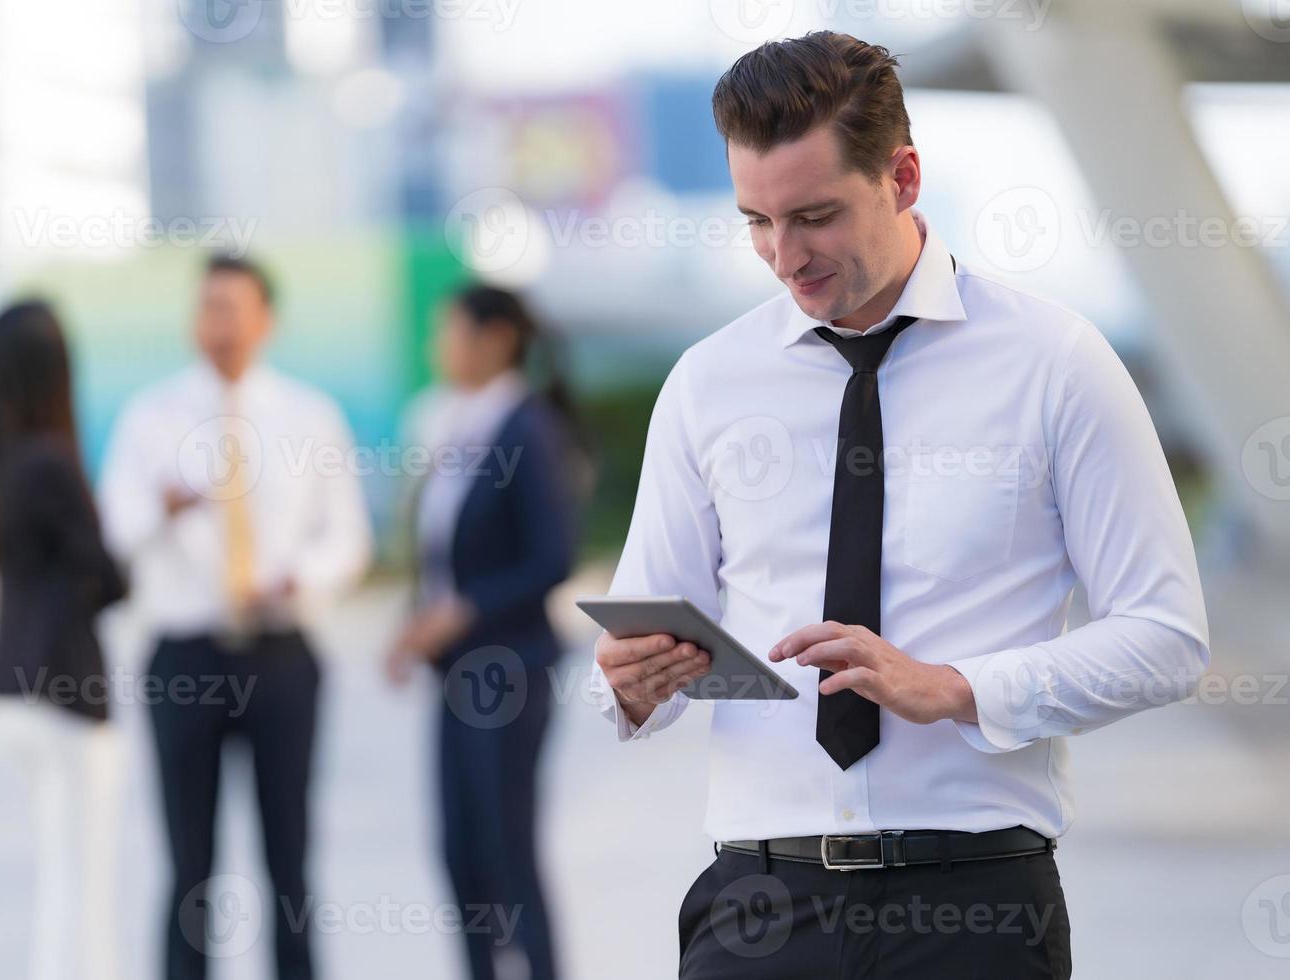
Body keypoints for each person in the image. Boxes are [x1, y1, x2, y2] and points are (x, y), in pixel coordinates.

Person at [589, 32, 1210, 979]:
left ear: (904, 175)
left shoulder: (1056, 364)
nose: (784, 258)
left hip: (973, 909)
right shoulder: (707, 383)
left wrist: (955, 687)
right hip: (758, 912)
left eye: (815, 215)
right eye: (757, 220)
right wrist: (631, 686)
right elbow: (650, 639)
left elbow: (1167, 638)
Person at [99, 255, 372, 980]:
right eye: (208, 307)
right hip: (185, 654)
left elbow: (346, 540)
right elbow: (114, 527)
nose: (219, 323)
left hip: (281, 653)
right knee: (190, 861)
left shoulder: (309, 416)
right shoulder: (150, 416)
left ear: (266, 321)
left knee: (291, 855)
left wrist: (297, 578)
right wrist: (163, 505)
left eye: (233, 307)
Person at [386, 285, 582, 980]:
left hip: (508, 670)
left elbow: (551, 558)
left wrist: (461, 611)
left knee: (507, 846)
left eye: (449, 329)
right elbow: (442, 553)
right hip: (455, 673)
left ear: (495, 338)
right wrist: (415, 623)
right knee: (460, 850)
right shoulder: (456, 425)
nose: (438, 345)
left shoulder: (527, 429)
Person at [0, 299, 128, 980]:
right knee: (83, 888)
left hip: (15, 689)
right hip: (65, 693)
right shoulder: (52, 464)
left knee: (59, 879)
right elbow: (109, 576)